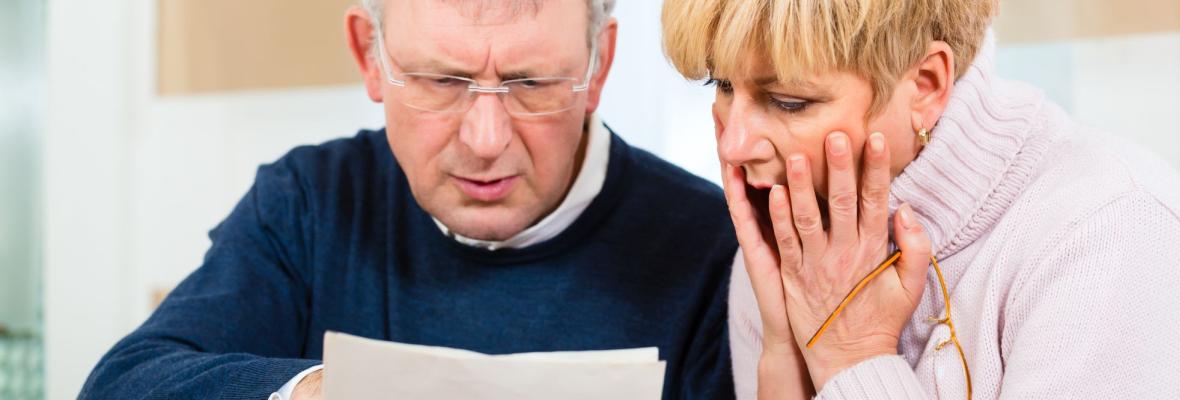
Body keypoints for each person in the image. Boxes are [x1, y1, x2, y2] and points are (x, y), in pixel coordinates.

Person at [80, 1, 739, 399]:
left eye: (532, 83)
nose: (486, 141)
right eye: (442, 81)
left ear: (598, 65)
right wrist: (326, 390)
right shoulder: (309, 203)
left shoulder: (712, 244)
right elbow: (124, 383)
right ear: (369, 54)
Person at [661, 0, 1180, 398]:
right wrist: (784, 356)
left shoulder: (1116, 233)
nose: (733, 143)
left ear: (925, 83)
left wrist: (851, 353)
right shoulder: (788, 245)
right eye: (722, 86)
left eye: (788, 101)